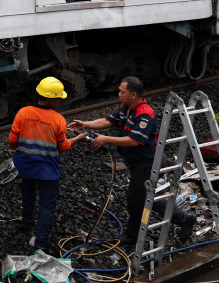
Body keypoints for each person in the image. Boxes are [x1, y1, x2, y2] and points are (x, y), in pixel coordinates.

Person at [67, 76, 196, 248]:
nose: (119, 94)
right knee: (143, 199)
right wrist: (85, 124)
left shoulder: (145, 114)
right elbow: (108, 121)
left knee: (138, 200)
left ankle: (140, 233)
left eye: (122, 91)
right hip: (137, 164)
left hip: (148, 165)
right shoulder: (126, 108)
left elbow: (135, 140)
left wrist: (107, 139)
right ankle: (178, 220)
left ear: (134, 94)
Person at [9, 76, 87, 253]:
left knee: (27, 192)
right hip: (47, 171)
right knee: (47, 205)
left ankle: (27, 220)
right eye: (59, 98)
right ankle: (41, 242)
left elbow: (12, 140)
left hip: (26, 166)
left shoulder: (23, 112)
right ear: (52, 99)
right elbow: (63, 146)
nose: (60, 100)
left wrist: (21, 150)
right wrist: (78, 137)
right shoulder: (58, 120)